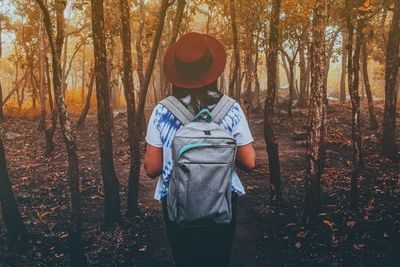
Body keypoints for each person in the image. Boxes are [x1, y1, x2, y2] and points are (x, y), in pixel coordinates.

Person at [144, 32, 256, 267]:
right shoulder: (231, 109)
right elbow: (249, 162)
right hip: (222, 201)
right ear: (212, 71)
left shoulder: (161, 111)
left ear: (177, 73)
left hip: (177, 205)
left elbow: (152, 168)